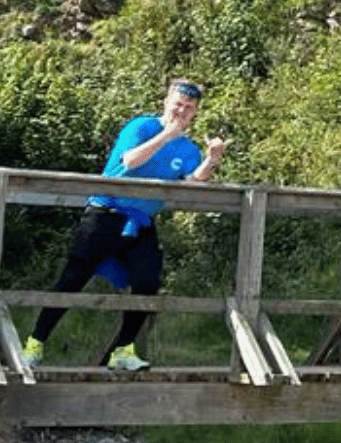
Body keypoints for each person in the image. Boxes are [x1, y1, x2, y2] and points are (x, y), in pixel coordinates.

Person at [22, 78, 228, 372]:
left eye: (189, 108)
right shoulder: (142, 127)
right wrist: (166, 136)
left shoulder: (188, 148)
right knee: (74, 278)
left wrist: (211, 160)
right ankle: (35, 343)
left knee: (148, 282)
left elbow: (191, 183)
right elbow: (130, 161)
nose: (181, 112)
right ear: (166, 102)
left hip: (141, 222)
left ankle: (123, 349)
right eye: (177, 105)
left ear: (195, 112)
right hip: (106, 212)